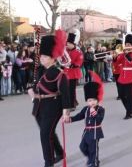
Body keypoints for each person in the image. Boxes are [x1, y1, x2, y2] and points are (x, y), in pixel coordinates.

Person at [27, 29, 73, 167]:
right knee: (48, 132)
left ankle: (49, 162)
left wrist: (66, 112)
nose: (41, 58)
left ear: (53, 57)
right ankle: (60, 153)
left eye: (45, 57)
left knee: (45, 135)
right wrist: (31, 91)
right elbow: (32, 84)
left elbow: (66, 94)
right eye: (41, 56)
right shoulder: (39, 70)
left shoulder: (59, 73)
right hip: (39, 105)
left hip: (53, 106)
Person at [66, 71, 105, 167]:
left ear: (97, 100)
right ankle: (91, 158)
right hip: (86, 132)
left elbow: (99, 119)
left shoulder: (100, 109)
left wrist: (94, 112)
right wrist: (70, 119)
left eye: (93, 100)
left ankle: (94, 163)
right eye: (89, 100)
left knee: (93, 149)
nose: (91, 102)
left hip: (95, 132)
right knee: (82, 147)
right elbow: (79, 116)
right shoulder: (86, 109)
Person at [115, 33, 132, 119]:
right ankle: (129, 109)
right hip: (122, 77)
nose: (127, 46)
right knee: (121, 95)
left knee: (129, 96)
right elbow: (117, 62)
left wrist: (127, 55)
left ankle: (129, 112)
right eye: (126, 44)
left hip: (130, 77)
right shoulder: (122, 54)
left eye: (129, 44)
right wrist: (115, 56)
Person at [64, 29, 84, 108]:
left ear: (73, 44)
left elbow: (80, 60)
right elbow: (62, 58)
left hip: (74, 73)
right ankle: (72, 102)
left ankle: (72, 105)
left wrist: (74, 65)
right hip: (66, 73)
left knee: (71, 90)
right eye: (67, 43)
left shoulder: (78, 51)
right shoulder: (65, 51)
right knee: (66, 90)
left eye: (69, 43)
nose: (67, 45)